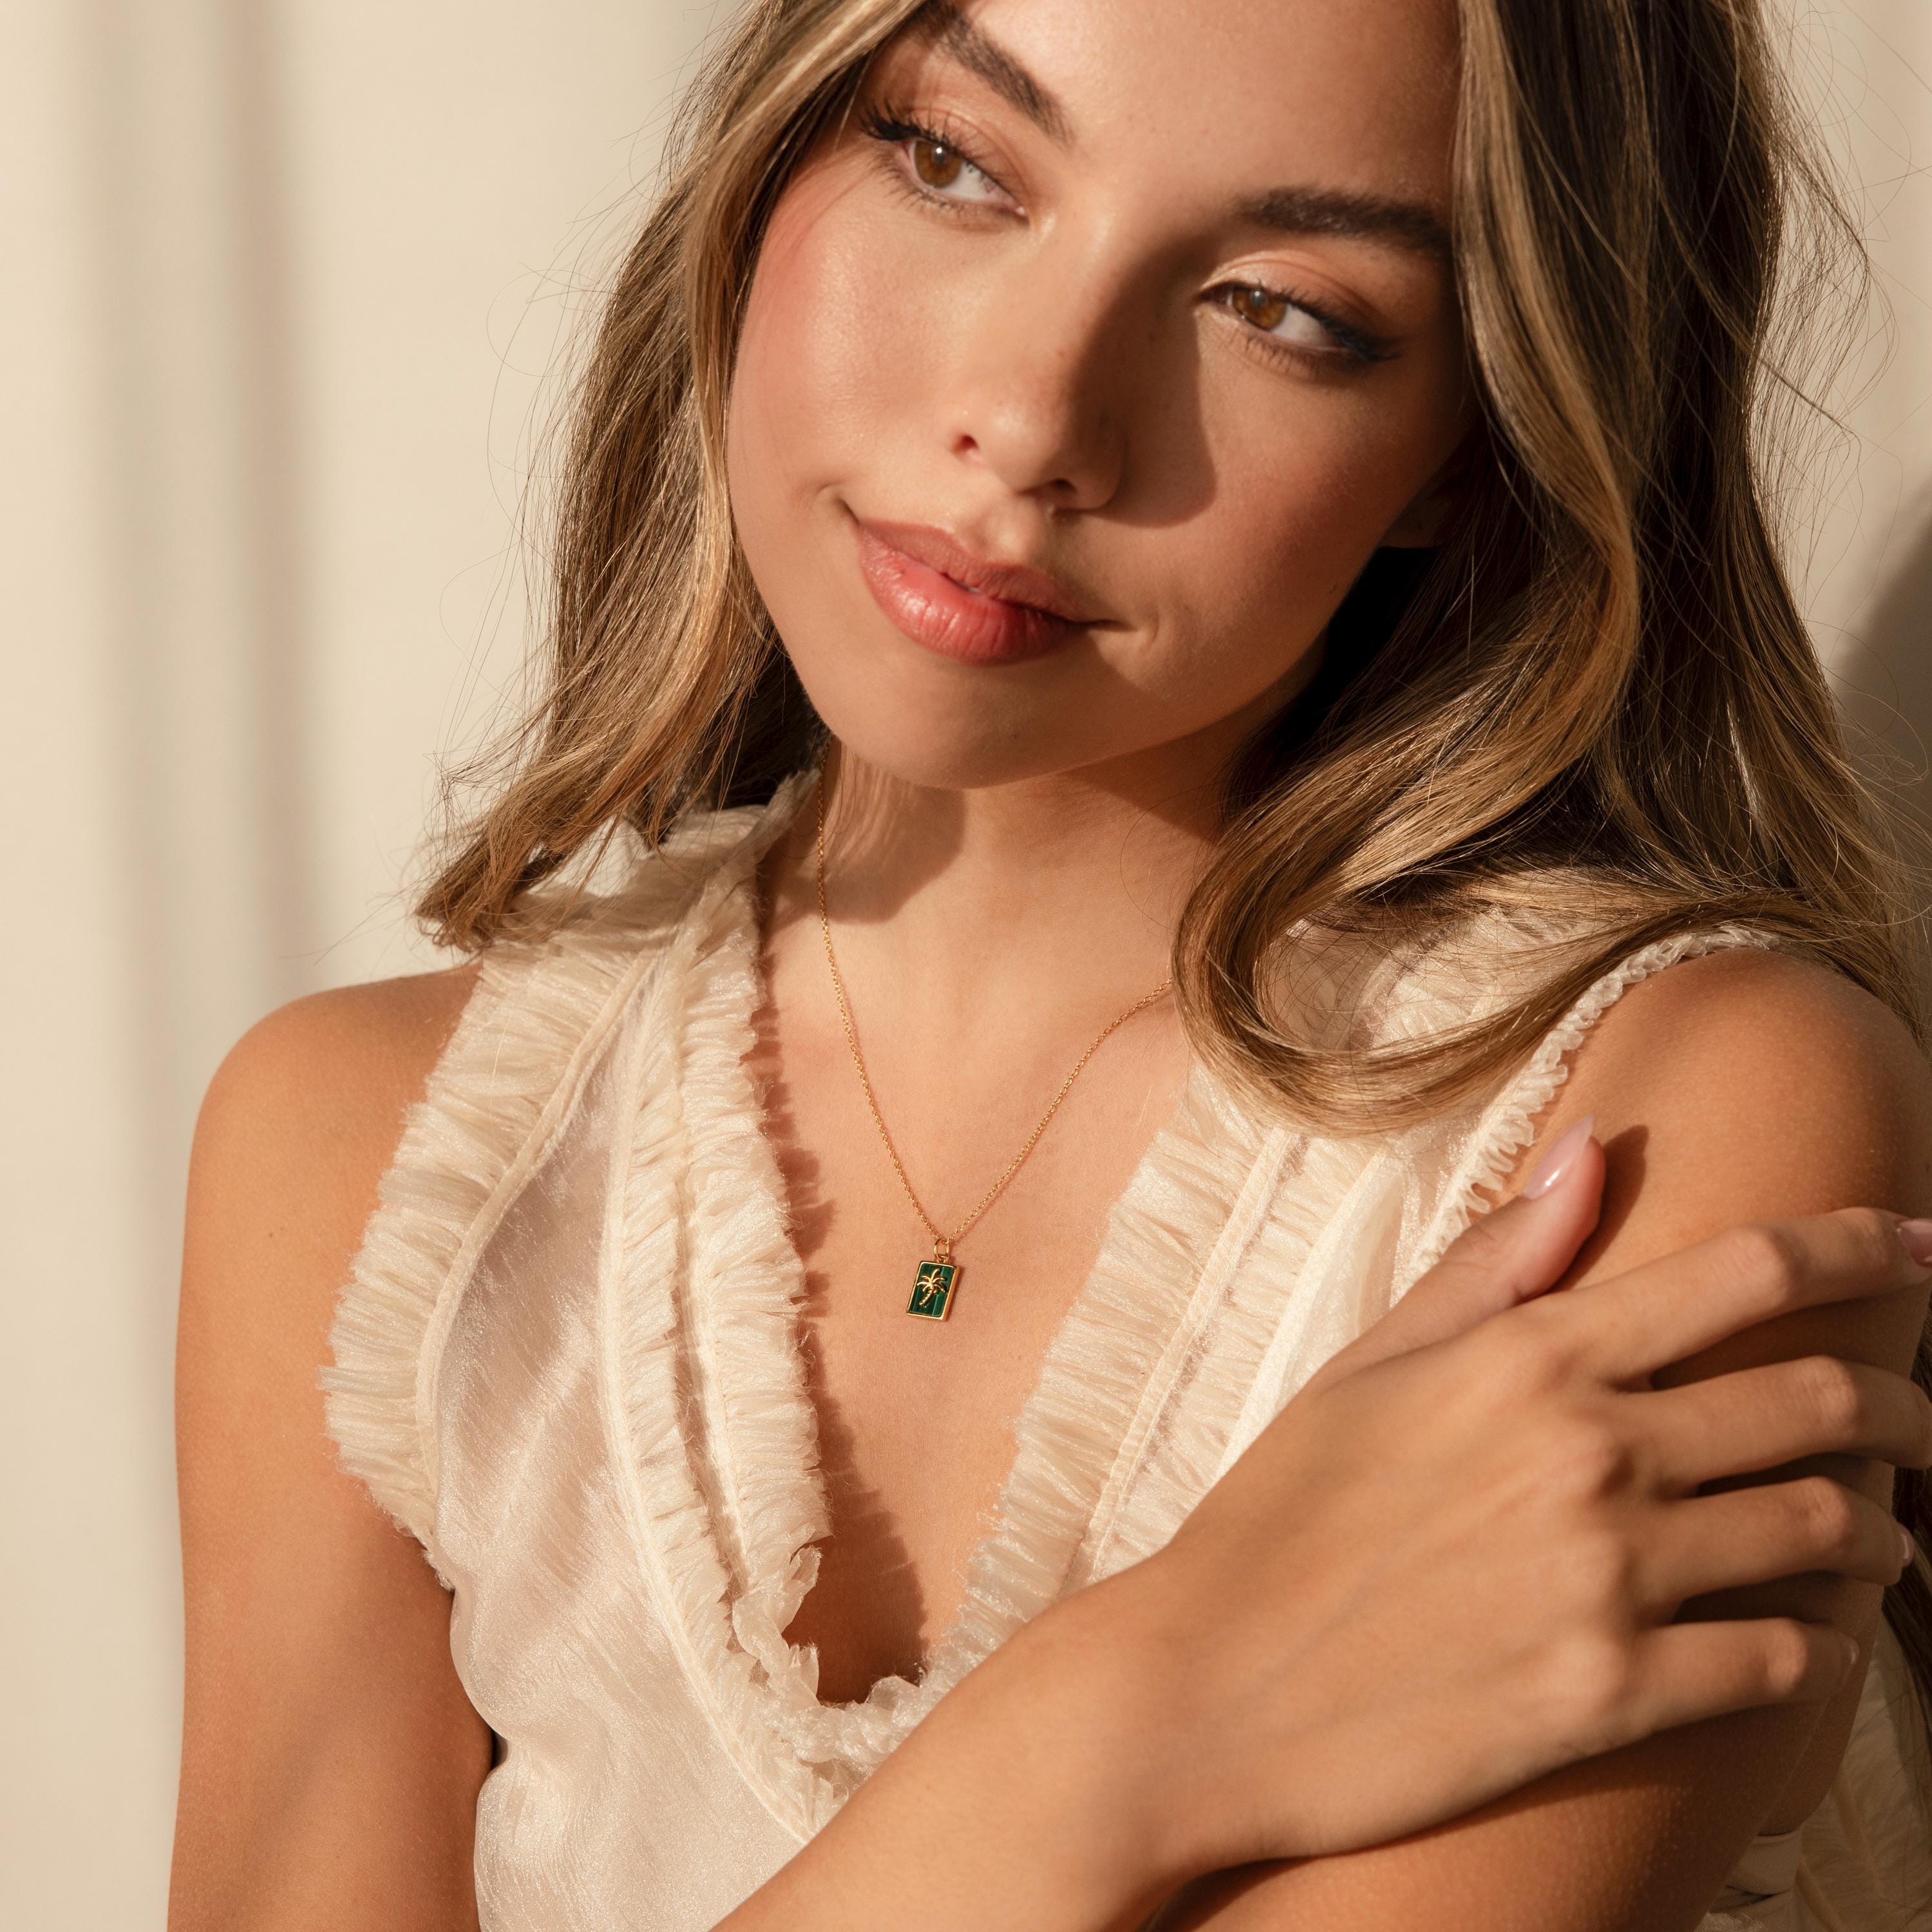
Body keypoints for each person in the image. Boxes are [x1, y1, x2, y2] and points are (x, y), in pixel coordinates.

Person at [169, 0, 1932, 1927]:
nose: (1030, 423)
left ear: (1471, 447)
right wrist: (1136, 1710)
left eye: (1279, 308)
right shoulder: (362, 1162)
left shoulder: (1657, 1127)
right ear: (769, 165)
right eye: (955, 164)